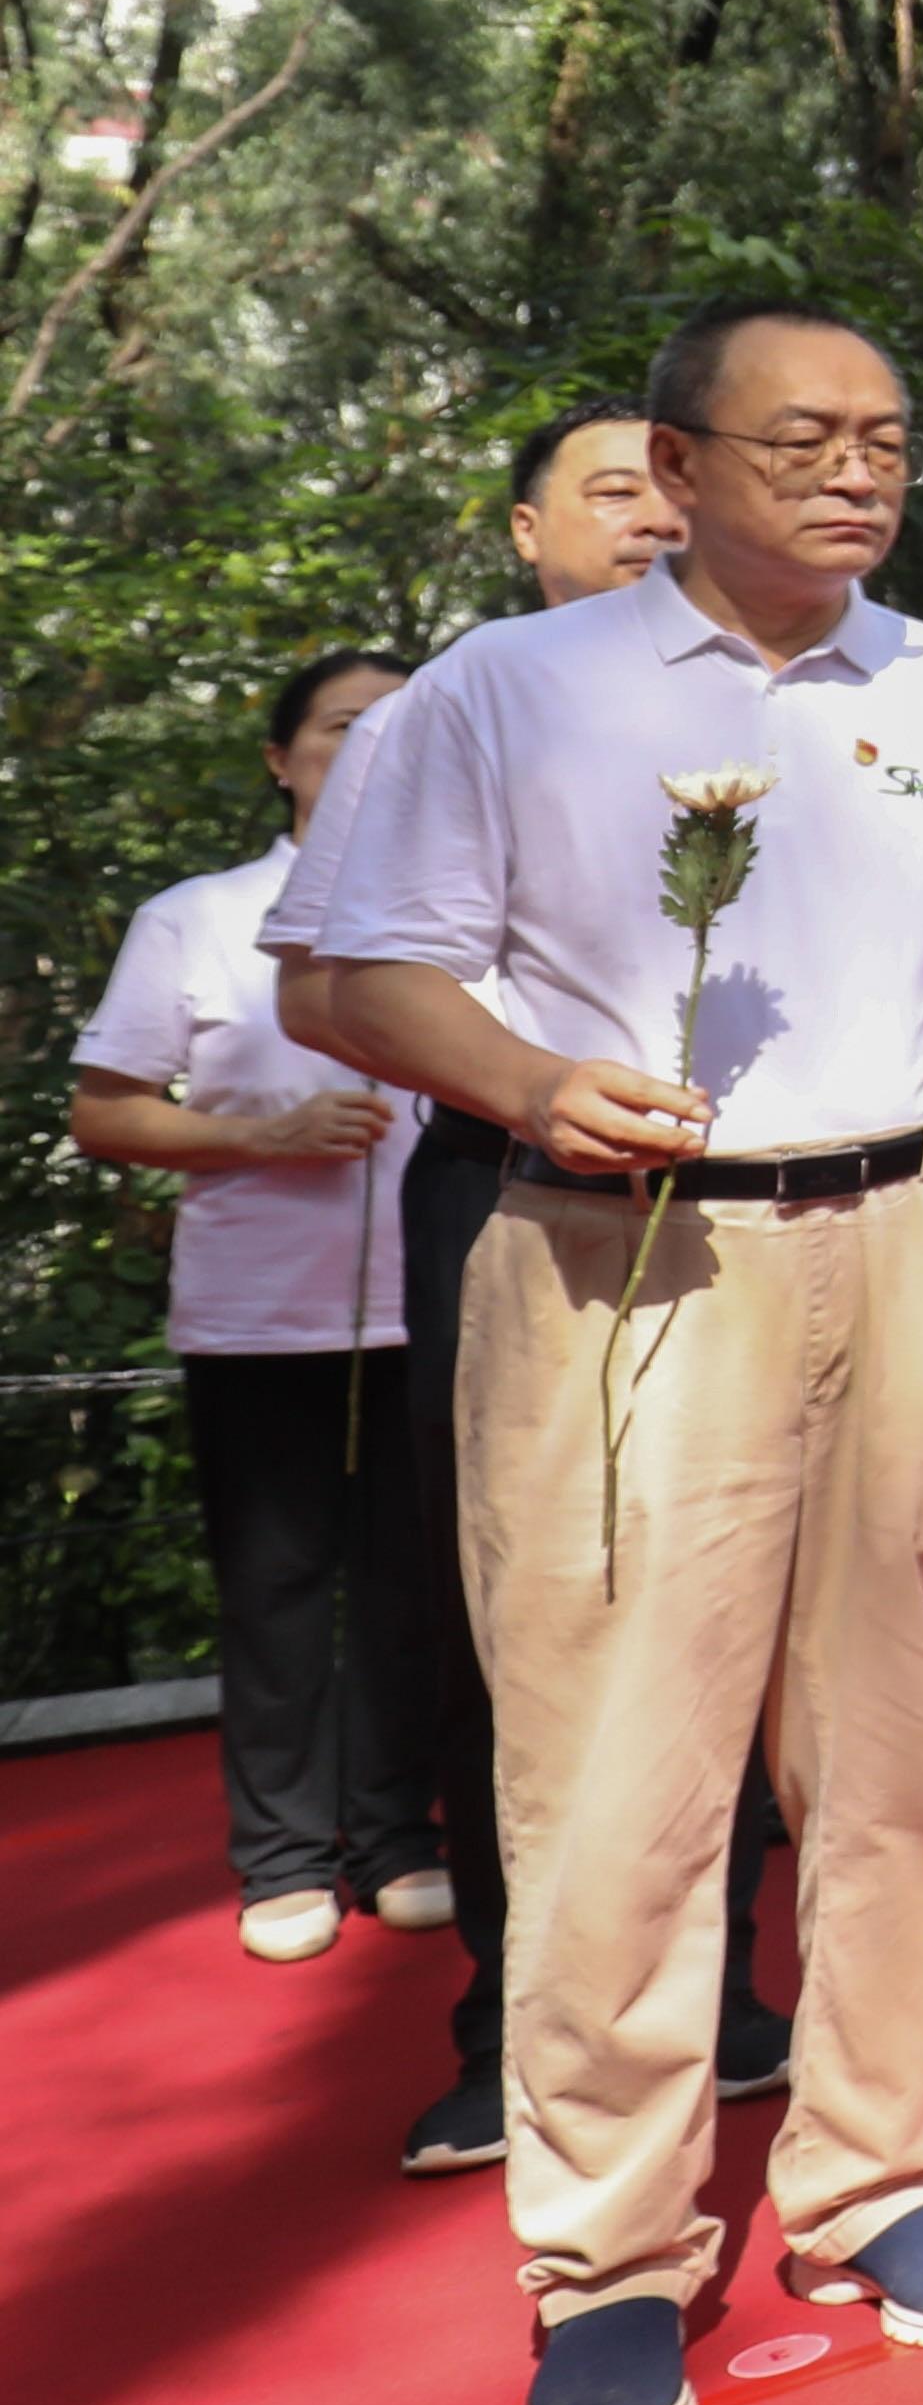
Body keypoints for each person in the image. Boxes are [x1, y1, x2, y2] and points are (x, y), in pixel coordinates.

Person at [302, 297, 923, 2405]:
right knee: (617, 1775)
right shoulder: (508, 691)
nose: (858, 470)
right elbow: (346, 964)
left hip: (917, 1239)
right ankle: (608, 2255)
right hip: (620, 1265)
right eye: (803, 437)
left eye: (888, 438)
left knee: (899, 1744)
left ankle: (875, 2176)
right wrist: (528, 1081)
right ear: (678, 459)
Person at [271, 405, 796, 2180]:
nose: (651, 516)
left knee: (735, 1601)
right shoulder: (458, 710)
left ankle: (720, 1997)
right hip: (510, 1187)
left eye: (671, 487)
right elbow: (322, 995)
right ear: (523, 531)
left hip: (767, 1208)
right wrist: (527, 1082)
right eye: (610, 493)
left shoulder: (799, 706)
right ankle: (519, 2018)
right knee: (531, 1613)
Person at [75, 651, 434, 1958]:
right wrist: (267, 1134)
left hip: (440, 1307)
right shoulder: (198, 915)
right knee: (278, 1584)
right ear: (280, 759)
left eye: (406, 730)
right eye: (345, 729)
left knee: (417, 1587)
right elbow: (104, 1111)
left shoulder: (474, 918)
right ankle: (285, 1852)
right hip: (260, 1320)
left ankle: (398, 1831)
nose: (376, 751)